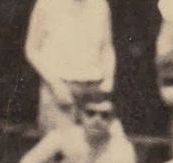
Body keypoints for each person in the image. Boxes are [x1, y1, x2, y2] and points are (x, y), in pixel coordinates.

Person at [25, 0, 114, 134]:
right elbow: (31, 50)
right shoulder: (45, 4)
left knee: (93, 151)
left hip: (94, 90)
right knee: (59, 149)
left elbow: (107, 47)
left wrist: (108, 80)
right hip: (59, 91)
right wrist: (55, 85)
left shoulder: (100, 4)